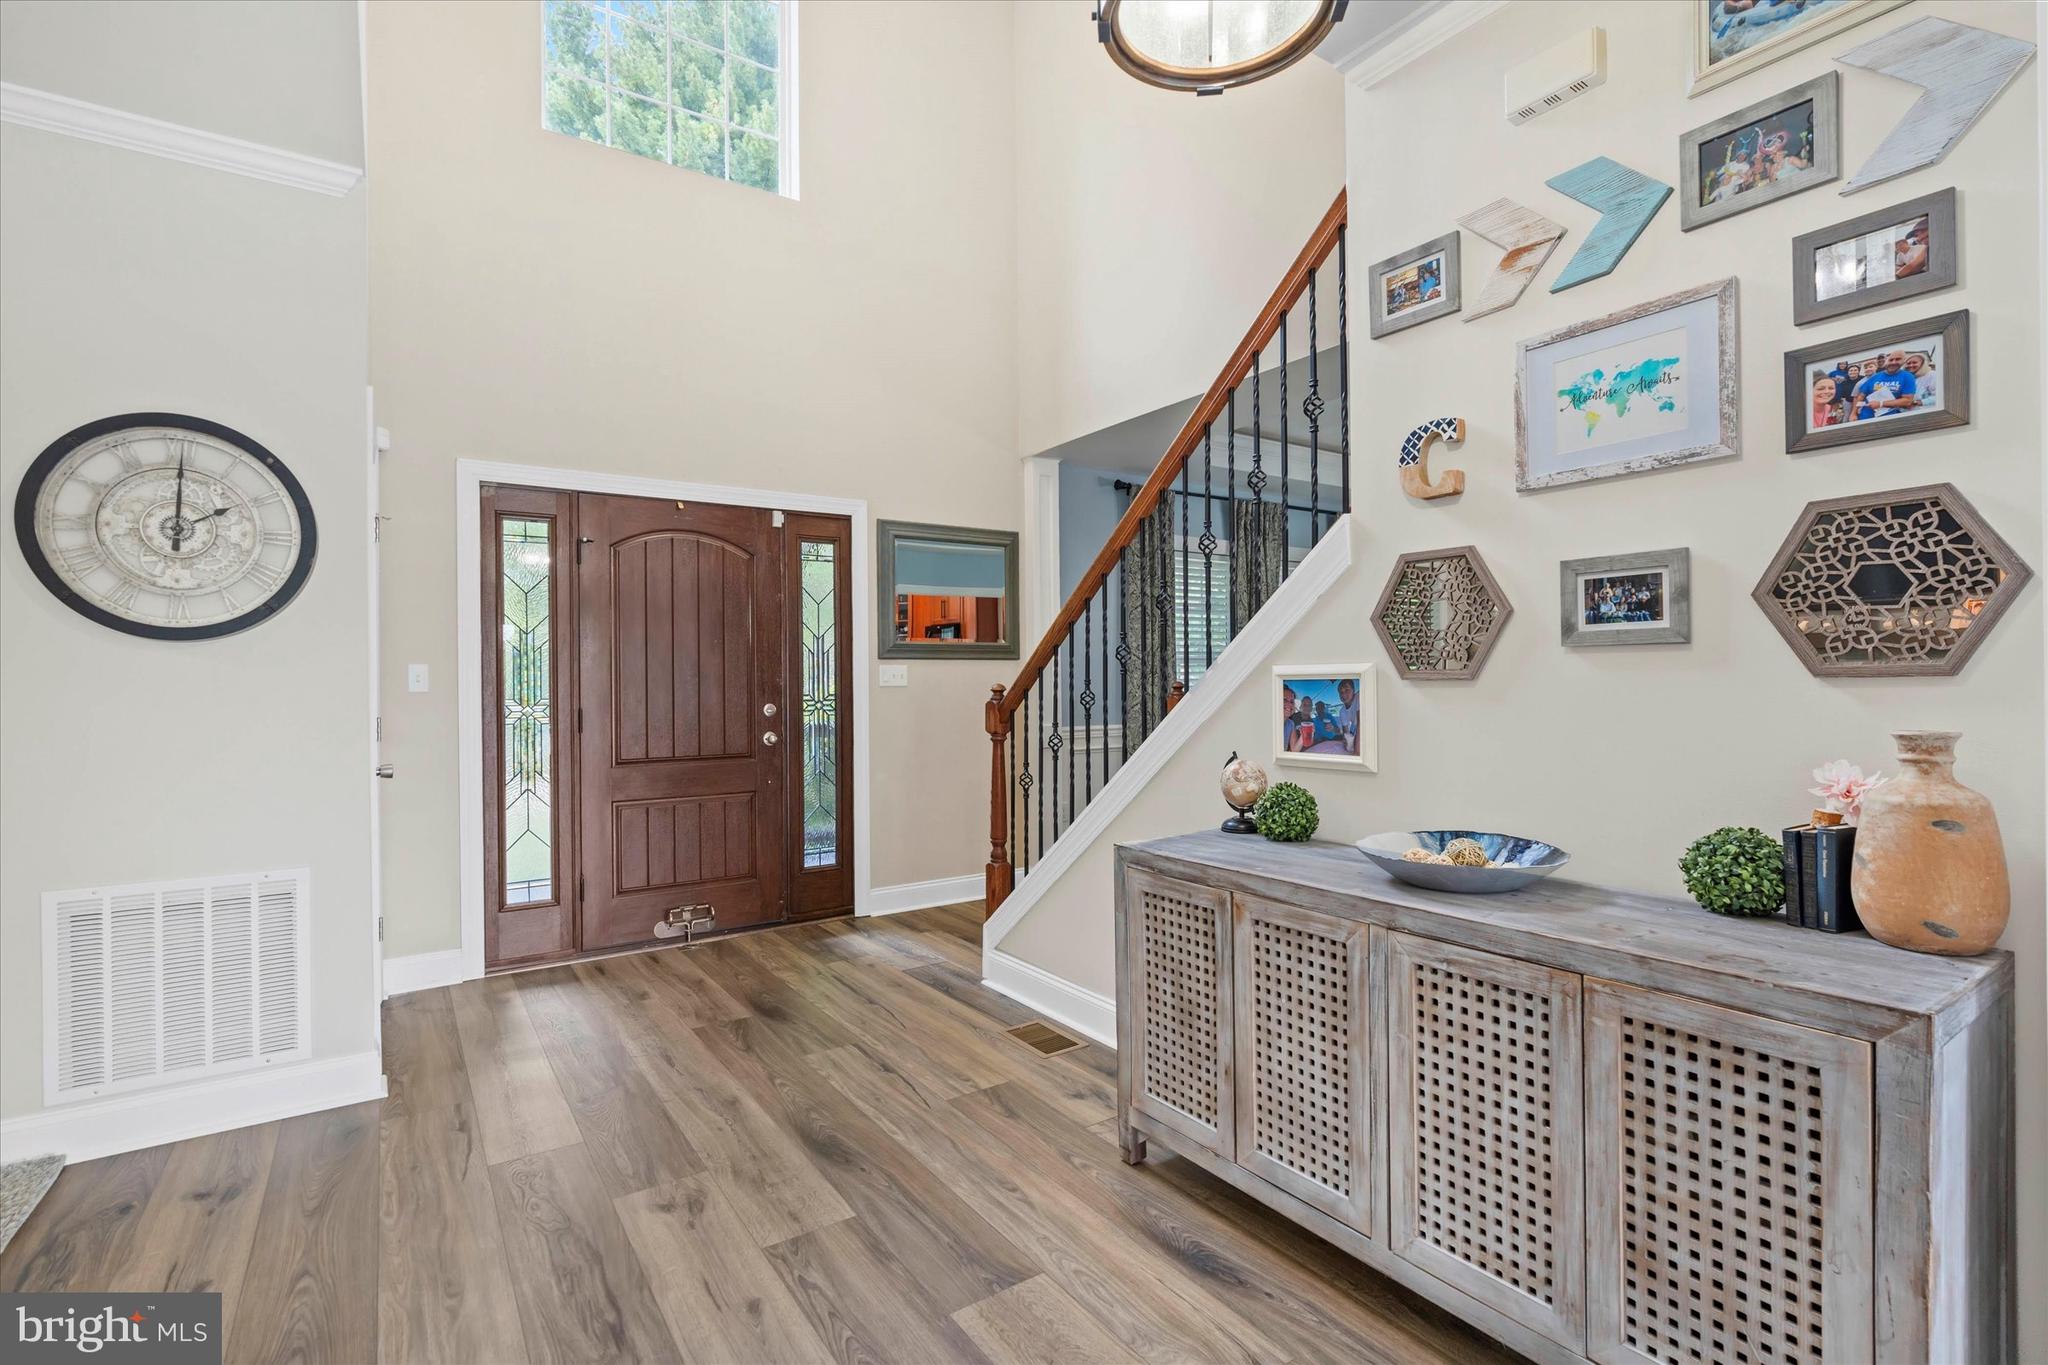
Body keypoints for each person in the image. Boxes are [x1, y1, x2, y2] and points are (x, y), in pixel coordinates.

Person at [1853, 351, 1919, 419]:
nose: (1893, 362)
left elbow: (1907, 401)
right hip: (1866, 417)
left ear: (1904, 361)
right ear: (1887, 361)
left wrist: (1881, 404)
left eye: (1898, 359)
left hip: (1890, 418)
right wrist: (1853, 414)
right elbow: (1861, 395)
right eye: (1891, 360)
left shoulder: (1907, 376)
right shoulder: (1875, 377)